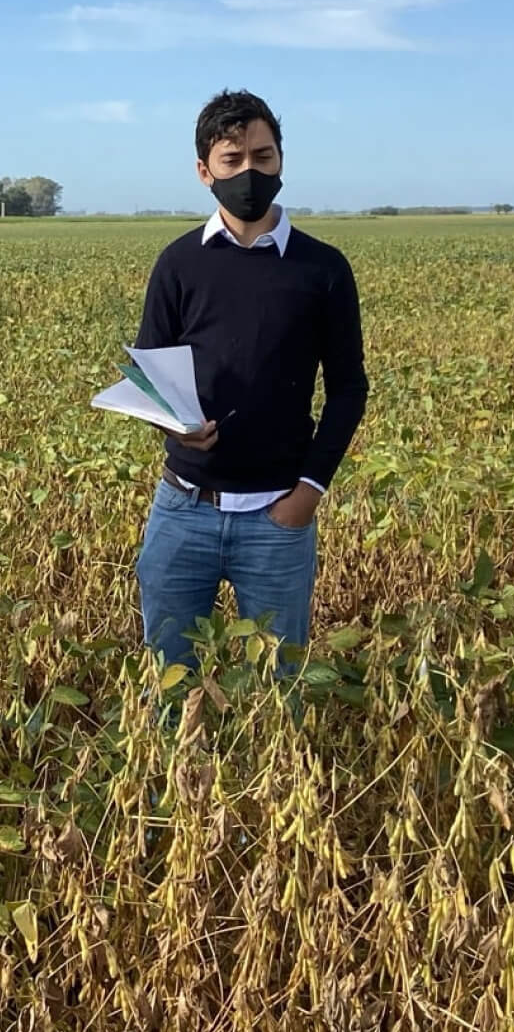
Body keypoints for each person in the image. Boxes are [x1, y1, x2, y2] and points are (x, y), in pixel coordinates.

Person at [133, 88, 368, 670]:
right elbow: (150, 375)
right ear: (204, 170)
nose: (249, 173)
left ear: (281, 160)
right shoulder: (179, 263)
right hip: (183, 509)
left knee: (280, 685)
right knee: (168, 679)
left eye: (262, 158)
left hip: (278, 517)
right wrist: (173, 429)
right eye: (232, 161)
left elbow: (348, 389)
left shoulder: (324, 269)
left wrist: (309, 492)